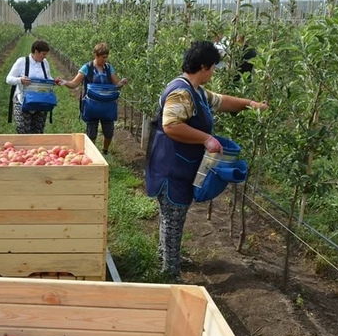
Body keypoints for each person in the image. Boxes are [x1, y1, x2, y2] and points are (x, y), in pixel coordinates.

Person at [145, 41, 267, 281]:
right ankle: (170, 274)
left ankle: (167, 257)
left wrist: (250, 105)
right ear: (203, 66)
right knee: (174, 215)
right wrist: (206, 139)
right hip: (171, 166)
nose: (214, 72)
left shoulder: (196, 90)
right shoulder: (181, 92)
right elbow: (171, 126)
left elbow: (221, 101)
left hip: (177, 164)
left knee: (172, 215)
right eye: (213, 67)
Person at [56, 42, 128, 154]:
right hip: (91, 105)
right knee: (91, 132)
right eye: (103, 57)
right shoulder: (87, 68)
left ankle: (105, 151)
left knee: (109, 131)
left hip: (107, 105)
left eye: (106, 57)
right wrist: (65, 82)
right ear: (95, 55)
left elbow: (116, 85)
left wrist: (121, 83)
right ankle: (92, 153)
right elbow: (74, 84)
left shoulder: (109, 68)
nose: (105, 60)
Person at [6, 40, 60, 134]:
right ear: (36, 51)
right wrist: (20, 80)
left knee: (38, 132)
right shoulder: (22, 62)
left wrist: (53, 81)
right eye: (43, 54)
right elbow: (8, 79)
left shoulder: (45, 63)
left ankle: (37, 149)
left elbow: (47, 77)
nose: (45, 57)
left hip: (41, 101)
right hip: (23, 101)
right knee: (23, 131)